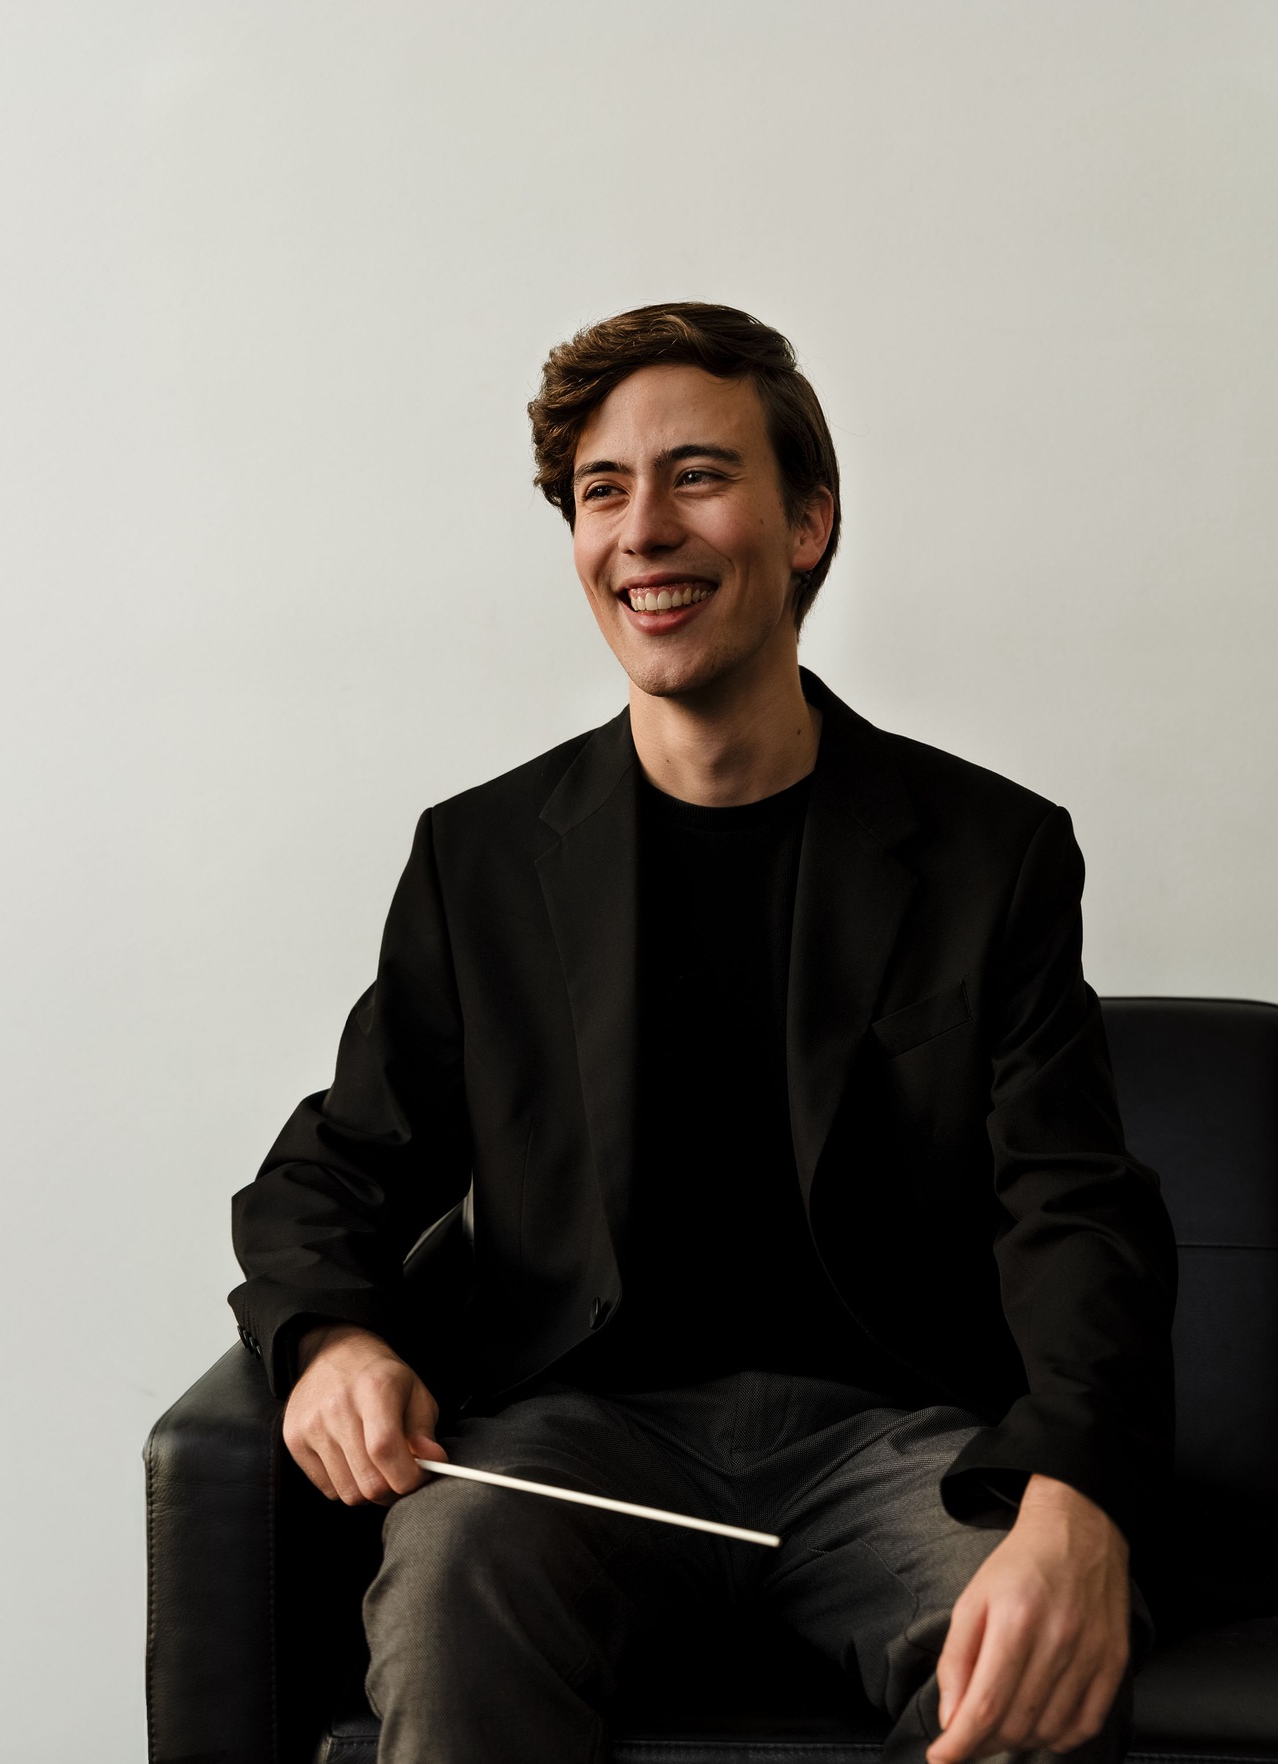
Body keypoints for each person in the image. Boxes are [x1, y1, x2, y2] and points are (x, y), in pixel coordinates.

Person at [226, 303, 1176, 1764]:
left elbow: (1075, 1207)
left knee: (1024, 1666)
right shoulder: (482, 860)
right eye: (602, 491)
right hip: (577, 1441)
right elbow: (337, 1166)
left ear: (809, 525)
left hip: (902, 1443)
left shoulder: (992, 854)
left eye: (698, 476)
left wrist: (1076, 1497)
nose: (642, 531)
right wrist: (333, 1338)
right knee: (449, 1587)